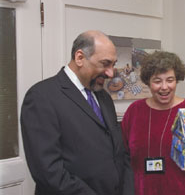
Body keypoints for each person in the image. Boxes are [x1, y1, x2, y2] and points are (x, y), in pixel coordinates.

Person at [21, 30, 135, 195]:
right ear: (80, 57)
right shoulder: (42, 97)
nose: (111, 73)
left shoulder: (103, 97)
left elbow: (119, 151)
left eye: (113, 64)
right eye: (105, 63)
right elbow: (48, 172)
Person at [121, 51, 185, 195]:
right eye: (157, 81)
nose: (164, 87)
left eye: (170, 80)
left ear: (177, 80)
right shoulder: (134, 111)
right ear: (148, 82)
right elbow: (123, 158)